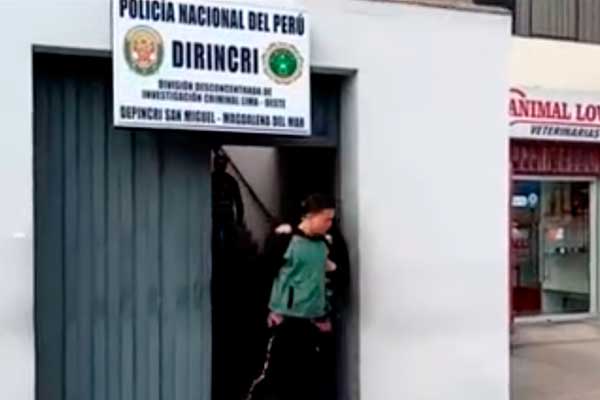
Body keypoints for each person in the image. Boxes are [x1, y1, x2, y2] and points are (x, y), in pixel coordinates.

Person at [257, 194, 337, 400]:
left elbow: (330, 274)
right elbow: (265, 272)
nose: (330, 224)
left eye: (332, 219)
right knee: (279, 379)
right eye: (326, 219)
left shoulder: (324, 244)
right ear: (310, 216)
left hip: (314, 321)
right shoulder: (285, 240)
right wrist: (271, 310)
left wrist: (324, 313)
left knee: (309, 381)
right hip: (287, 320)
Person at [211, 151, 244, 253]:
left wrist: (239, 222)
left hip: (226, 216)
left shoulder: (231, 181)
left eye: (222, 163)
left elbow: (238, 202)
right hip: (215, 216)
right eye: (218, 163)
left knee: (229, 244)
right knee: (215, 242)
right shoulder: (211, 179)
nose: (220, 166)